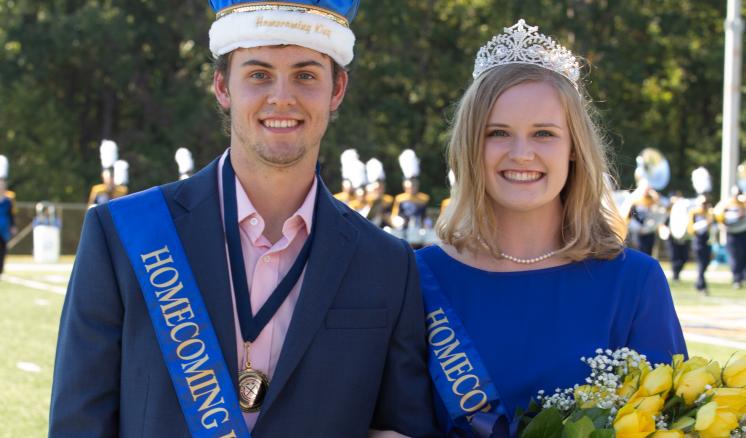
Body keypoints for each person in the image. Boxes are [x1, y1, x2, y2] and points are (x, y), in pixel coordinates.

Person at [49, 1, 438, 437]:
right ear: (222, 86)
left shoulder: (387, 263)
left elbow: (403, 427)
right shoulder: (122, 236)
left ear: (338, 89)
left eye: (306, 75)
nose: (282, 97)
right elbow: (78, 424)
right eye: (258, 74)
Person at [416, 19, 687, 436]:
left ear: (574, 147)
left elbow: (672, 424)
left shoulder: (634, 283)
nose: (521, 153)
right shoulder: (417, 279)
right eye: (498, 133)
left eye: (544, 133)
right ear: (471, 146)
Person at [714, 186, 746, 288]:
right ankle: (737, 279)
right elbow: (719, 215)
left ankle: (742, 277)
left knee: (743, 256)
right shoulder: (725, 203)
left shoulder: (744, 203)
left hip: (743, 231)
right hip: (731, 232)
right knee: (734, 256)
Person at [392, 149, 429, 230]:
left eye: (414, 185)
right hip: (403, 230)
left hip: (418, 230)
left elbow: (425, 216)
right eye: (409, 187)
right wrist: (398, 222)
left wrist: (426, 225)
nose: (412, 188)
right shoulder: (400, 199)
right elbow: (395, 216)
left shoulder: (423, 198)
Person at [87, 139, 128, 207]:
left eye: (112, 177)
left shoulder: (122, 191)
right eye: (108, 177)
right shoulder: (98, 191)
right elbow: (91, 209)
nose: (110, 180)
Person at [689, 195, 714, 294]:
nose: (705, 206)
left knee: (705, 263)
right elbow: (691, 228)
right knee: (701, 263)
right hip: (698, 240)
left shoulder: (709, 213)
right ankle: (702, 285)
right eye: (703, 203)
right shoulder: (694, 213)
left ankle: (699, 284)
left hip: (707, 241)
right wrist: (705, 223)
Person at [0, 155, 16, 276]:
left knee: (3, 249)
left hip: (4, 228)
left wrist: (13, 225)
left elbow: (11, 214)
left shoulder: (8, 199)